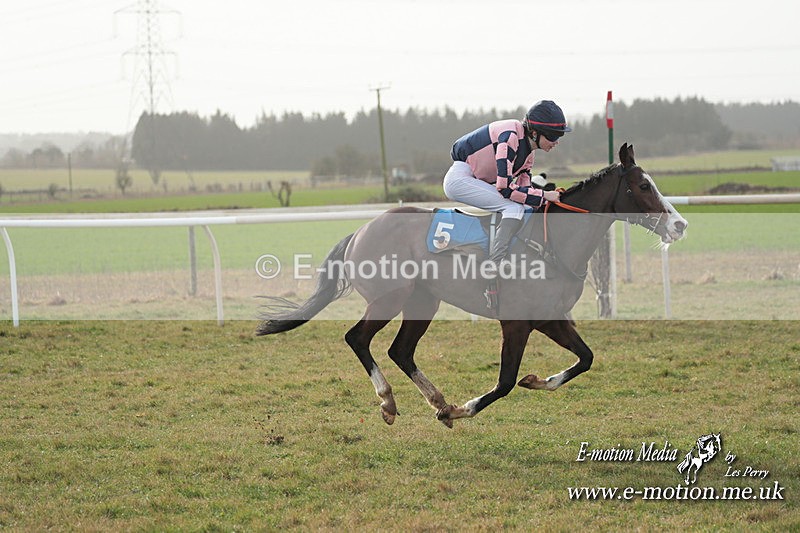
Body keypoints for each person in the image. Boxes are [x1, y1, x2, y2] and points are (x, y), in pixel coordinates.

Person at [443, 100, 572, 310]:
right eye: (552, 136)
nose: (556, 142)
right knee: (513, 208)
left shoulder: (529, 153)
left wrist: (539, 200)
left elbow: (525, 188)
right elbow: (505, 189)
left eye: (560, 137)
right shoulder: (510, 137)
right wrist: (545, 195)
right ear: (534, 133)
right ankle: (492, 268)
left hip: (475, 178)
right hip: (460, 179)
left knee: (524, 208)